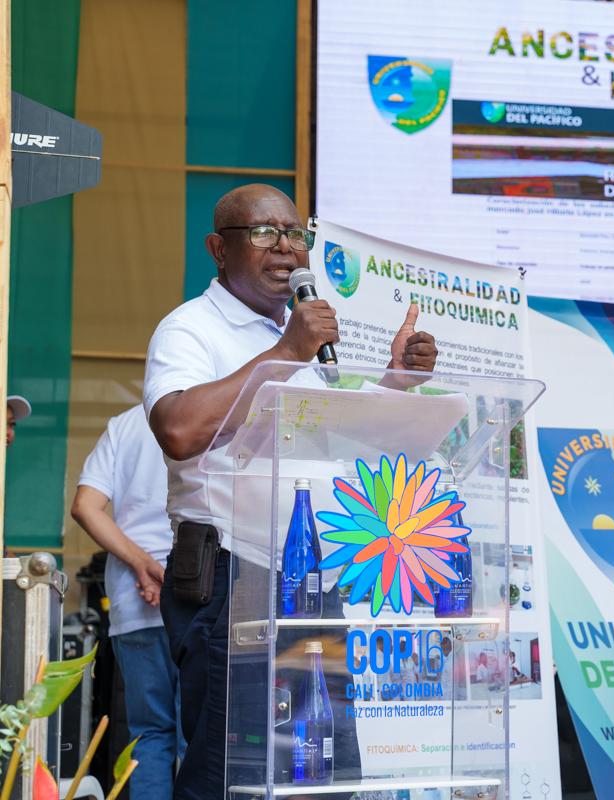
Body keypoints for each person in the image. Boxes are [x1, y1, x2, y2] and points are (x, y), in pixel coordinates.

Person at [145, 184, 439, 800]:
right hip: (230, 577)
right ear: (217, 249)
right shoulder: (190, 328)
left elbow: (332, 440)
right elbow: (176, 430)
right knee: (231, 770)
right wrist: (284, 352)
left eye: (295, 233)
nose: (286, 248)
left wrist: (397, 383)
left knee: (322, 764)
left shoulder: (302, 339)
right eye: (263, 233)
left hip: (309, 576)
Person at [71, 406, 184, 800]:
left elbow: (86, 505)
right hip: (199, 594)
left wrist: (141, 564)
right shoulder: (218, 415)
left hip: (132, 604)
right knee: (200, 737)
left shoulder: (125, 424)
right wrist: (166, 574)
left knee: (148, 734)